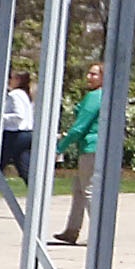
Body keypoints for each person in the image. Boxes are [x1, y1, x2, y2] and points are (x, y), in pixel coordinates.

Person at [52, 62, 105, 246]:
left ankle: (99, 233)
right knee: (79, 190)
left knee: (89, 190)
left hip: (91, 147)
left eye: (94, 74)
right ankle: (71, 230)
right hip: (101, 147)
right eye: (89, 73)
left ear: (103, 77)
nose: (89, 77)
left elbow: (79, 127)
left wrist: (60, 147)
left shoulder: (94, 97)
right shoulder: (106, 96)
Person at [0, 70, 37, 184]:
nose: (9, 80)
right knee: (23, 165)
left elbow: (18, 116)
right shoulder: (26, 94)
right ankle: (33, 188)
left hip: (14, 134)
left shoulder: (14, 94)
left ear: (18, 80)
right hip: (27, 133)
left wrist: (0, 117)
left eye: (11, 78)